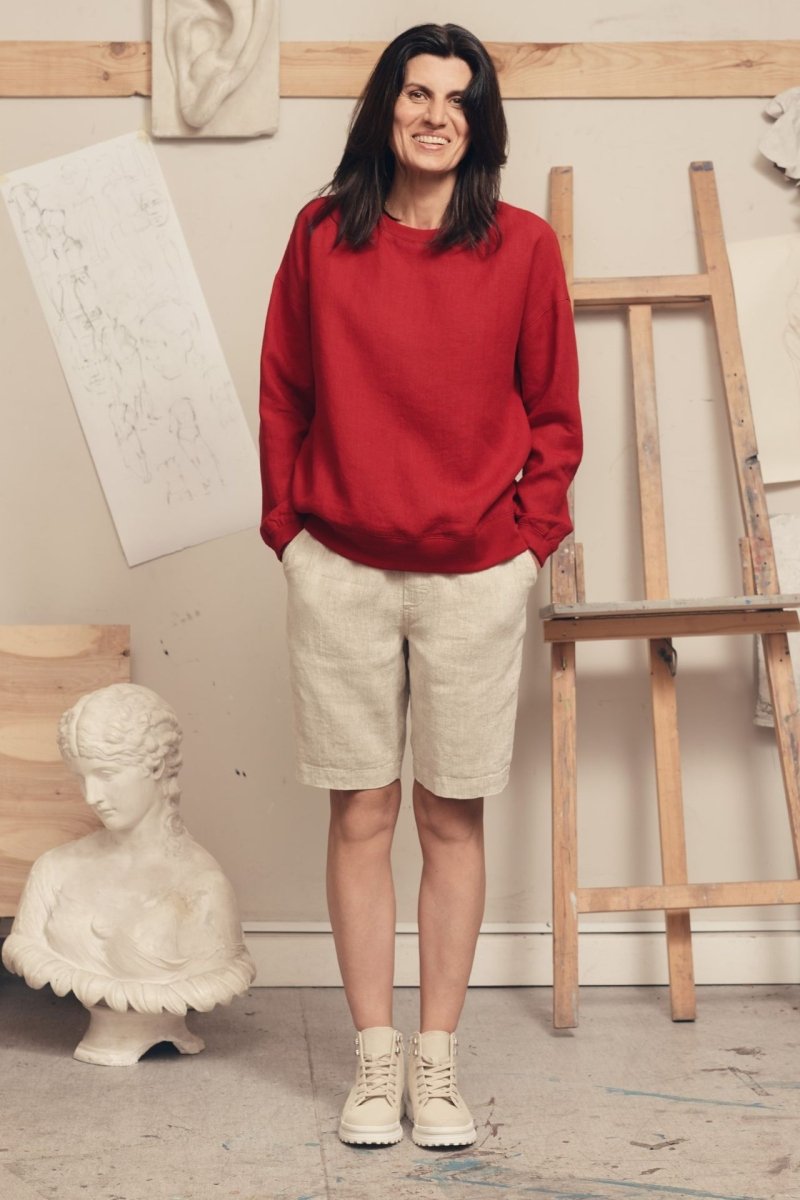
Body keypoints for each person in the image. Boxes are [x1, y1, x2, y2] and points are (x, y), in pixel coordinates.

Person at [259, 23, 581, 1148]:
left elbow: (554, 417)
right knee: (360, 813)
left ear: (480, 121)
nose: (435, 114)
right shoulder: (320, 236)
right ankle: (372, 1061)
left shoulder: (524, 248)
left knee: (450, 815)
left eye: (457, 98)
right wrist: (289, 531)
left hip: (474, 578)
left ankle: (435, 1065)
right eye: (415, 93)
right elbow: (283, 391)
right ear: (384, 109)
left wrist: (526, 545)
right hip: (340, 568)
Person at [2, 684, 255, 1032]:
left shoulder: (202, 887)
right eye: (81, 778)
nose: (91, 796)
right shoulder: (54, 869)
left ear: (156, 766)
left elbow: (220, 971)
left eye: (106, 774)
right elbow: (24, 944)